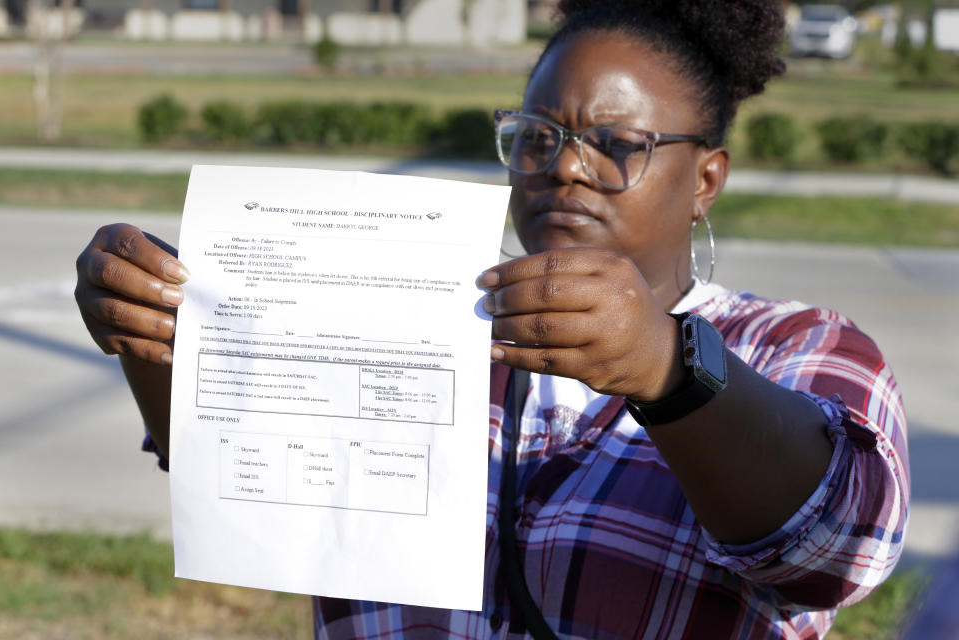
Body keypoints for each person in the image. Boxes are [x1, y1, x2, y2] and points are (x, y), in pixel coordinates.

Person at [74, 0, 909, 637]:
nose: (566, 168)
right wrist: (152, 335)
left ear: (706, 179)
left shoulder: (798, 348)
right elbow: (245, 487)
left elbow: (839, 551)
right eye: (538, 136)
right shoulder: (418, 319)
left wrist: (669, 369)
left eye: (617, 144)